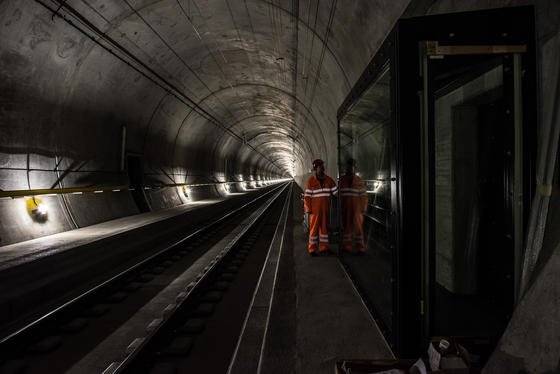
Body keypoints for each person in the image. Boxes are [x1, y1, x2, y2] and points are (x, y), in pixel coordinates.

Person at [304, 159, 338, 256]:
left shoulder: (329, 180)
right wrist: (308, 210)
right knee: (313, 230)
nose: (322, 168)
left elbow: (336, 192)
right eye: (319, 166)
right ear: (315, 169)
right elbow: (307, 197)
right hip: (314, 211)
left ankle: (324, 248)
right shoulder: (311, 181)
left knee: (324, 230)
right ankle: (312, 249)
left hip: (325, 210)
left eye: (322, 166)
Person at [339, 158, 368, 254]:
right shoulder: (342, 180)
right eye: (348, 166)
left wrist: (363, 209)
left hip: (357, 209)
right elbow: (339, 195)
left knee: (358, 228)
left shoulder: (359, 180)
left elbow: (364, 196)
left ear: (355, 168)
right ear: (346, 168)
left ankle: (361, 248)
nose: (350, 168)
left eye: (352, 166)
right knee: (347, 228)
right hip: (346, 208)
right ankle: (347, 247)